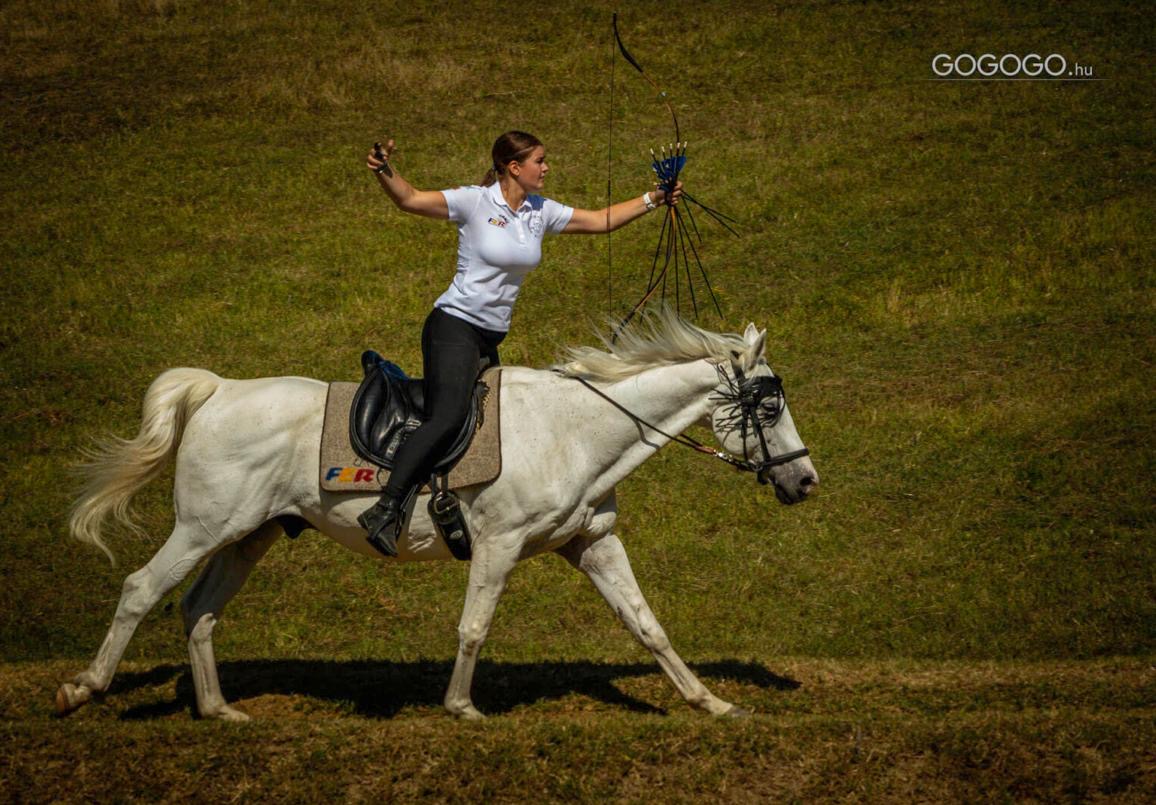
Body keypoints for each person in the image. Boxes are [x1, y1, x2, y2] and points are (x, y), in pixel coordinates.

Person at [359, 130, 682, 556]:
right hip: (453, 326)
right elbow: (411, 199)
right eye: (540, 161)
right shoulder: (475, 201)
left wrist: (653, 198)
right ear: (515, 167)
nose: (547, 168)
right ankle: (385, 509)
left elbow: (600, 220)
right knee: (449, 415)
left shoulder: (538, 211)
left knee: (490, 425)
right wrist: (385, 170)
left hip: (487, 338)